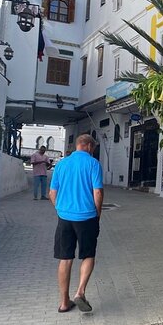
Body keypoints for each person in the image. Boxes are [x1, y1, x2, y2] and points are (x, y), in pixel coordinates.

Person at [48, 134, 104, 313]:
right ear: (88, 146)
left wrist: (61, 209)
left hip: (64, 218)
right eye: (93, 148)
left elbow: (51, 193)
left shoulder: (62, 164)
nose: (93, 151)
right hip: (87, 217)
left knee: (65, 258)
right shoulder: (93, 164)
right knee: (88, 255)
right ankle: (80, 292)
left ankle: (64, 302)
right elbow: (98, 193)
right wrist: (97, 215)